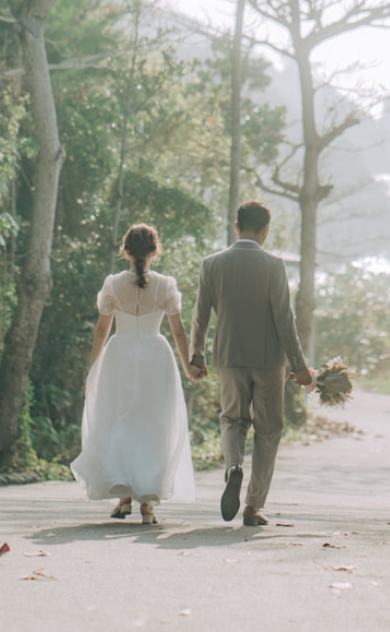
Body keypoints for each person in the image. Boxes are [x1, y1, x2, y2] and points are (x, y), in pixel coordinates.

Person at [190, 200, 313, 526]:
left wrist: (197, 355)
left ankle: (233, 467)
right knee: (268, 429)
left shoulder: (212, 264)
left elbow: (200, 315)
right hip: (268, 360)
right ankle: (253, 506)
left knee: (232, 419)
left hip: (229, 356)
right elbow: (284, 319)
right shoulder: (274, 265)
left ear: (236, 227)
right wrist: (299, 365)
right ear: (265, 231)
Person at [71, 224, 204, 524]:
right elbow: (179, 332)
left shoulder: (113, 284)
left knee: (120, 420)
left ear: (126, 250)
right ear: (156, 251)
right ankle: (148, 503)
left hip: (119, 355)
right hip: (156, 357)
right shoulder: (165, 285)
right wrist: (189, 367)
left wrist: (93, 370)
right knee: (154, 425)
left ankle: (124, 498)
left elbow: (102, 330)